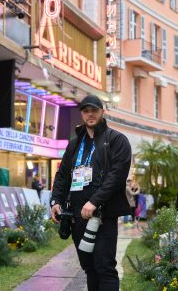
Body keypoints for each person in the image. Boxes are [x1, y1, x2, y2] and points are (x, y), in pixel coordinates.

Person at [50, 94, 131, 291]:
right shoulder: (75, 143)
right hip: (77, 215)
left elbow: (116, 176)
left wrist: (94, 202)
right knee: (89, 267)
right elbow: (62, 175)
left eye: (94, 110)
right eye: (86, 111)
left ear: (102, 111)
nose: (90, 114)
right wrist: (55, 201)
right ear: (81, 115)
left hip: (102, 215)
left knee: (104, 267)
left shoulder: (116, 140)